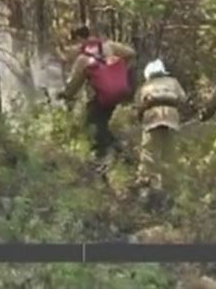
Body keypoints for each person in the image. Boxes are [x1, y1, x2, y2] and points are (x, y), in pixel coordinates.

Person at [57, 29, 136, 162]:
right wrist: (119, 69)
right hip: (118, 93)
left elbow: (75, 83)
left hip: (102, 97)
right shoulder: (108, 45)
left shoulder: (83, 59)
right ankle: (116, 153)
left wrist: (66, 95)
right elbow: (131, 53)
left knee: (92, 125)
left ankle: (111, 155)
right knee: (101, 122)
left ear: (79, 39)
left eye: (74, 42)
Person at [134, 59, 187, 201]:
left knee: (149, 155)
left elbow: (138, 105)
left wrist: (139, 119)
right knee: (169, 155)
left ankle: (146, 188)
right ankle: (171, 191)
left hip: (151, 121)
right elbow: (183, 99)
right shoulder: (173, 82)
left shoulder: (145, 86)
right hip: (171, 122)